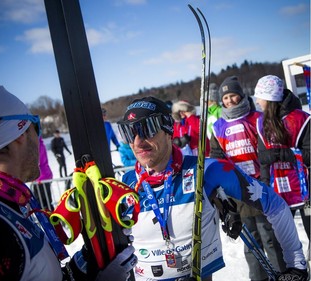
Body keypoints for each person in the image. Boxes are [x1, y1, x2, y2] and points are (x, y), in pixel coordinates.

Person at [0, 84, 136, 281]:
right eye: (35, 127)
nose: (38, 139)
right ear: (19, 135)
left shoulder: (6, 204)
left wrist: (85, 263)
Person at [117, 96, 307, 281]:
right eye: (129, 132)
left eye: (147, 129)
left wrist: (296, 265)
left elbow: (274, 205)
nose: (137, 141)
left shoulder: (206, 171)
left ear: (168, 130)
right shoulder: (123, 185)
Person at [210, 76, 286, 281]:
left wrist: (267, 182)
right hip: (237, 191)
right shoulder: (217, 128)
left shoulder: (257, 118)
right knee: (251, 243)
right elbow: (217, 161)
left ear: (242, 95)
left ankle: (281, 275)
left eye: (232, 95)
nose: (229, 100)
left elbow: (270, 151)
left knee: (270, 238)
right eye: (225, 97)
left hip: (262, 186)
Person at [255, 75, 310, 240]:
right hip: (279, 190)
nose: (257, 101)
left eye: (260, 97)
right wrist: (265, 190)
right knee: (282, 240)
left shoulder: (301, 119)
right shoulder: (261, 122)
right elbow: (264, 162)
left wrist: (286, 153)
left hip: (305, 189)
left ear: (269, 98)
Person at [33, 136, 54, 211]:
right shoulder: (39, 144)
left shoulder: (37, 145)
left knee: (43, 203)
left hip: (41, 177)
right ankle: (52, 219)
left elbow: (37, 162)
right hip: (44, 176)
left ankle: (50, 220)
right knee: (45, 202)